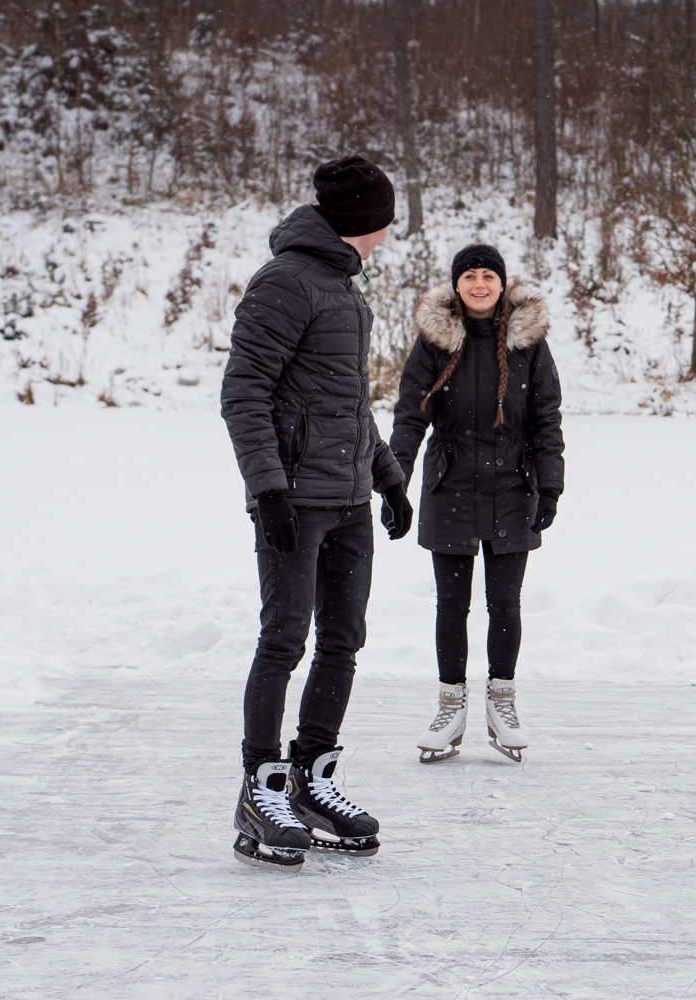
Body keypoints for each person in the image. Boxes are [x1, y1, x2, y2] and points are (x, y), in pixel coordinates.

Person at [221, 155, 414, 870]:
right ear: (365, 221)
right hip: (295, 499)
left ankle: (311, 776)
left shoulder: (342, 289)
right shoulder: (285, 284)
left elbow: (347, 405)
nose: (390, 230)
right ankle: (260, 786)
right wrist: (269, 490)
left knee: (343, 641)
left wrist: (389, 480)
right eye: (386, 217)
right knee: (283, 641)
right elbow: (243, 395)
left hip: (347, 499)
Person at [389, 243, 564, 764]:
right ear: (457, 285)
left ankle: (502, 703)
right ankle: (450, 707)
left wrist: (550, 485)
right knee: (452, 604)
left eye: (489, 275)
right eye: (470, 276)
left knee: (504, 603)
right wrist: (395, 482)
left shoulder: (528, 343)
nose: (480, 284)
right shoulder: (434, 341)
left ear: (503, 283)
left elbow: (546, 418)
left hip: (513, 486)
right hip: (451, 485)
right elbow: (409, 415)